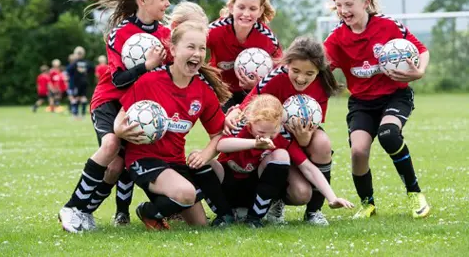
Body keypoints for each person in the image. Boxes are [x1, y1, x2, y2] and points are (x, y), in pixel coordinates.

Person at [58, 0, 170, 233]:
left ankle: (85, 212)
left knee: (118, 166)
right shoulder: (119, 33)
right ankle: (71, 208)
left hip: (138, 105)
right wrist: (147, 64)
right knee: (109, 145)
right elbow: (119, 80)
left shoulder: (166, 34)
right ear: (143, 0)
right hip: (109, 101)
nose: (167, 3)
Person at [323, 0, 431, 219]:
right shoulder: (336, 37)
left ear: (366, 3)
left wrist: (419, 71)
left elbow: (421, 50)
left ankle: (415, 194)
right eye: (339, 5)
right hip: (361, 102)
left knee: (389, 135)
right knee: (358, 152)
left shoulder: (388, 26)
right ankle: (367, 204)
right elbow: (320, 67)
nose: (343, 10)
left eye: (349, 4)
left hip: (395, 95)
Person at [115, 20, 235, 230]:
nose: (197, 53)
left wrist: (206, 155)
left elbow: (218, 133)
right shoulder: (150, 81)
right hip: (144, 160)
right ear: (173, 49)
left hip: (176, 162)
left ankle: (158, 208)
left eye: (202, 48)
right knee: (186, 194)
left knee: (200, 224)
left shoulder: (203, 92)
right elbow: (122, 115)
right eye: (190, 47)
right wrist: (118, 129)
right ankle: (148, 211)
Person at [224, 36, 342, 226]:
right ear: (287, 64)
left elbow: (309, 134)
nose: (301, 78)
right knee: (299, 190)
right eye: (295, 71)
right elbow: (248, 106)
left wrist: (304, 138)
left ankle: (314, 211)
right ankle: (271, 199)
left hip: (296, 138)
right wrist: (234, 112)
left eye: (309, 73)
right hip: (272, 137)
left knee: (322, 142)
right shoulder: (274, 78)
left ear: (318, 71)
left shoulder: (322, 86)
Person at [212, 94, 353, 228]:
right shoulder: (239, 126)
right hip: (228, 187)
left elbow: (308, 168)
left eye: (273, 132)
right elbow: (221, 145)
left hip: (256, 190)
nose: (268, 137)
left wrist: (332, 197)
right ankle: (224, 214)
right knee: (204, 163)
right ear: (250, 126)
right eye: (261, 132)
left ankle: (255, 218)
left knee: (281, 155)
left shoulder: (283, 136)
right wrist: (254, 143)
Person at [207, 0, 283, 112]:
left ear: (260, 11)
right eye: (241, 7)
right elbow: (192, 44)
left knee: (252, 127)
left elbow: (281, 68)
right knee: (227, 127)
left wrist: (259, 84)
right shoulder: (214, 31)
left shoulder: (267, 38)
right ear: (231, 7)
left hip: (253, 91)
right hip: (221, 89)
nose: (246, 14)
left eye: (252, 9)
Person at [67, 46, 94, 119]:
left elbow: (68, 70)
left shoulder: (75, 63)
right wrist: (85, 72)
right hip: (84, 82)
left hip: (76, 83)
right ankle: (83, 114)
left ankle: (75, 115)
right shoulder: (86, 62)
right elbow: (92, 68)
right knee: (83, 97)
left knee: (74, 98)